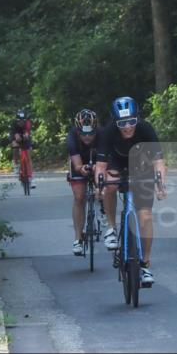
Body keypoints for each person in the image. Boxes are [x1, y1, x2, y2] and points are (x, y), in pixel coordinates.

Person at [94, 96, 167, 287]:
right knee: (109, 184)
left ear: (137, 118)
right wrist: (98, 187)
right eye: (122, 123)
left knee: (146, 218)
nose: (127, 127)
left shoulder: (145, 129)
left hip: (141, 165)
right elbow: (100, 166)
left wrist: (160, 185)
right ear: (114, 121)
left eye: (131, 122)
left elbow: (159, 162)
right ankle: (111, 227)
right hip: (115, 162)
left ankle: (145, 265)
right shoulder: (108, 132)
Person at [67, 108, 100, 256]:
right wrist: (82, 169)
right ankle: (78, 238)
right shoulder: (72, 137)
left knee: (104, 186)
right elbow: (77, 165)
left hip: (98, 159)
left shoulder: (102, 135)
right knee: (79, 198)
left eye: (91, 133)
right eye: (84, 134)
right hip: (79, 162)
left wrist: (97, 170)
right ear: (78, 131)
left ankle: (105, 209)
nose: (87, 137)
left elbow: (106, 162)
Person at [10, 109, 34, 186]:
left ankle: (30, 178)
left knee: (28, 154)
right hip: (16, 135)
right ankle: (16, 164)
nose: (21, 122)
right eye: (19, 121)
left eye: (22, 121)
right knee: (15, 146)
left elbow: (27, 133)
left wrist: (26, 135)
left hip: (24, 136)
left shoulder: (27, 123)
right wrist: (16, 138)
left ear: (25, 120)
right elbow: (14, 135)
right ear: (17, 121)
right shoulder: (14, 124)